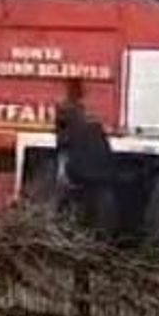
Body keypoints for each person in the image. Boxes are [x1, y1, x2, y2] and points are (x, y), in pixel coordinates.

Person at [54, 79, 118, 234]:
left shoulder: (65, 111)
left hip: (80, 166)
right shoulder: (90, 113)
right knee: (94, 207)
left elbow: (62, 143)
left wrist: (62, 169)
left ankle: (73, 231)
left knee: (76, 205)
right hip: (96, 165)